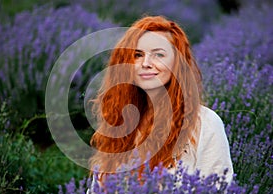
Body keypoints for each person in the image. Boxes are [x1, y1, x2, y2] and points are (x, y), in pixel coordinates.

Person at [89, 15, 233, 184]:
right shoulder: (119, 121)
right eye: (137, 55)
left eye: (158, 54)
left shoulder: (204, 123)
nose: (146, 63)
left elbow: (219, 191)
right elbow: (97, 191)